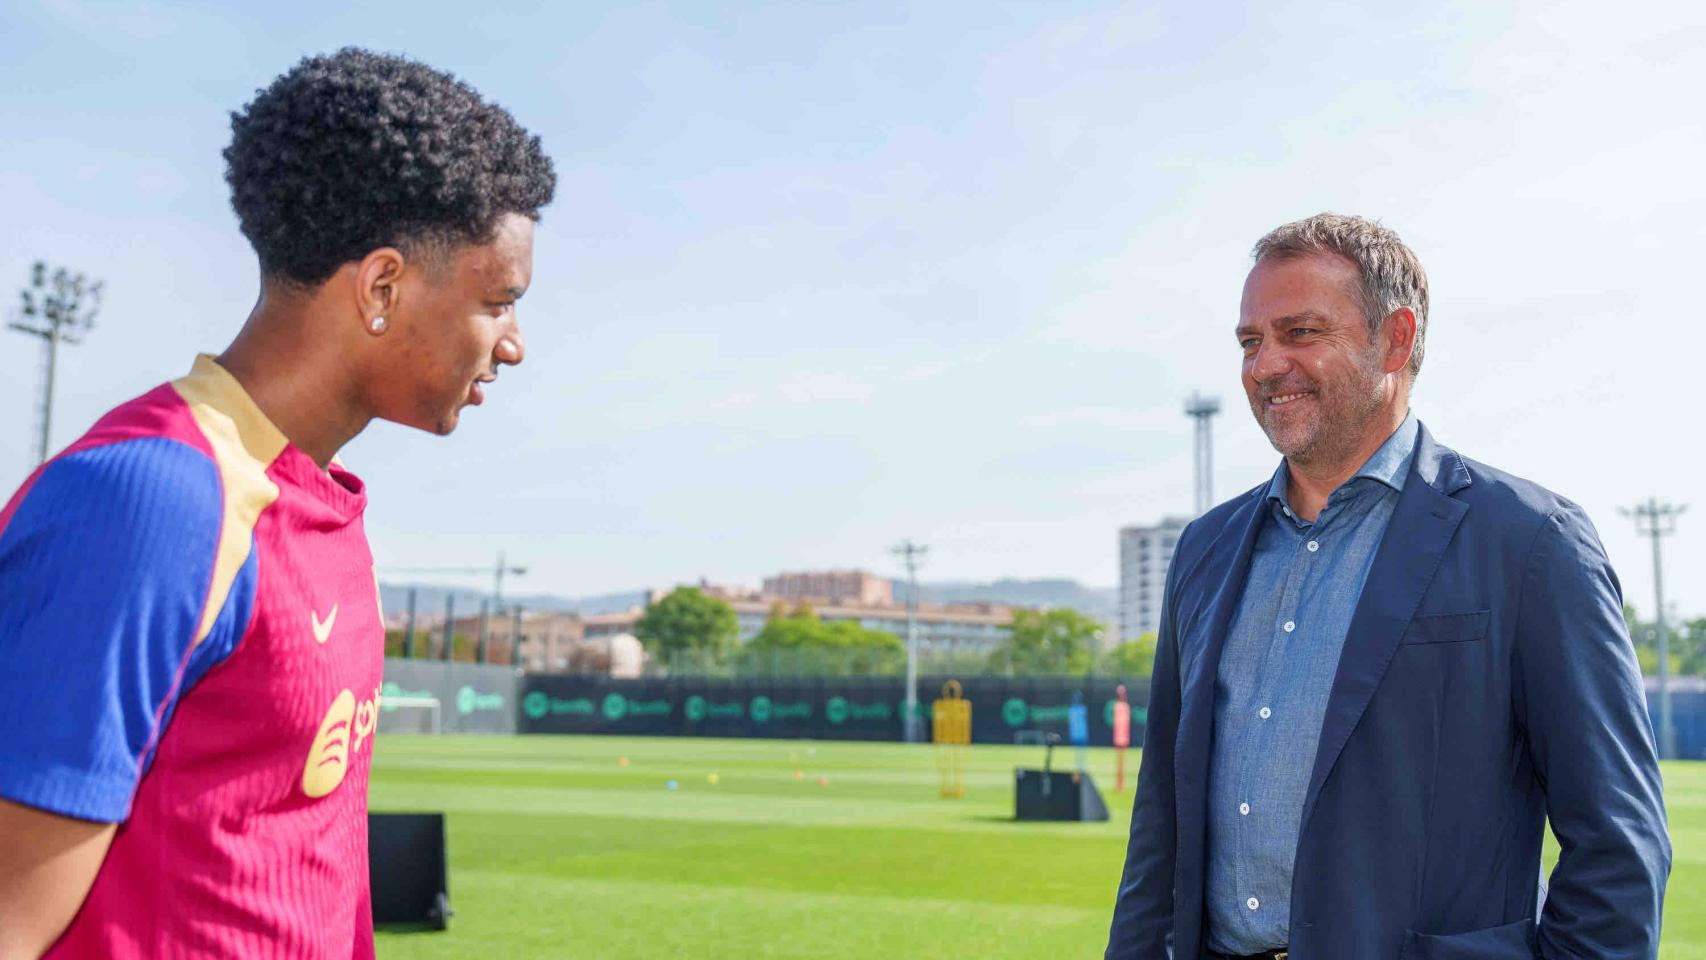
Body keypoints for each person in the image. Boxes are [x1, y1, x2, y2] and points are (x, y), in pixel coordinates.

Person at [0, 48, 555, 958]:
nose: (515, 344)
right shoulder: (154, 503)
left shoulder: (325, 508)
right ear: (382, 287)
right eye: (498, 302)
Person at [1105, 213, 1670, 959]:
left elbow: (1619, 847)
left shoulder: (1530, 542)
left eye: (1301, 332)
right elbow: (1162, 827)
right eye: (1250, 341)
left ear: (1396, 339)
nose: (1264, 365)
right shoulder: (1205, 549)